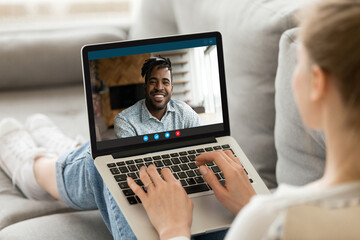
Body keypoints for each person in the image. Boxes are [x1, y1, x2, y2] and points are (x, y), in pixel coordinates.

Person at [0, 0, 359, 239]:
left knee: (111, 165)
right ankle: (60, 158)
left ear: (317, 85)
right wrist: (250, 202)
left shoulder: (274, 220)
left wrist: (173, 229)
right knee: (121, 159)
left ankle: (39, 170)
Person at [114, 56, 203, 138]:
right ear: (145, 88)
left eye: (165, 82)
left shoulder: (183, 111)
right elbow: (130, 155)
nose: (159, 87)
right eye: (153, 82)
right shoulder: (125, 121)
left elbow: (204, 138)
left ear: (171, 89)